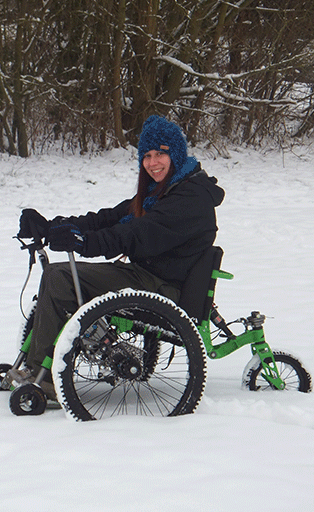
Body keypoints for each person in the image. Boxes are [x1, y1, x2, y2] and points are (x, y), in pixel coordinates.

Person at [16, 115, 225, 387]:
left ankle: (42, 379)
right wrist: (52, 227)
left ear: (175, 153)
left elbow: (136, 234)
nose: (152, 163)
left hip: (163, 286)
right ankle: (37, 366)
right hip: (145, 275)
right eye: (146, 156)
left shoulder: (189, 198)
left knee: (60, 277)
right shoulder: (161, 191)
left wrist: (83, 243)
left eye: (160, 154)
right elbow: (109, 219)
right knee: (59, 276)